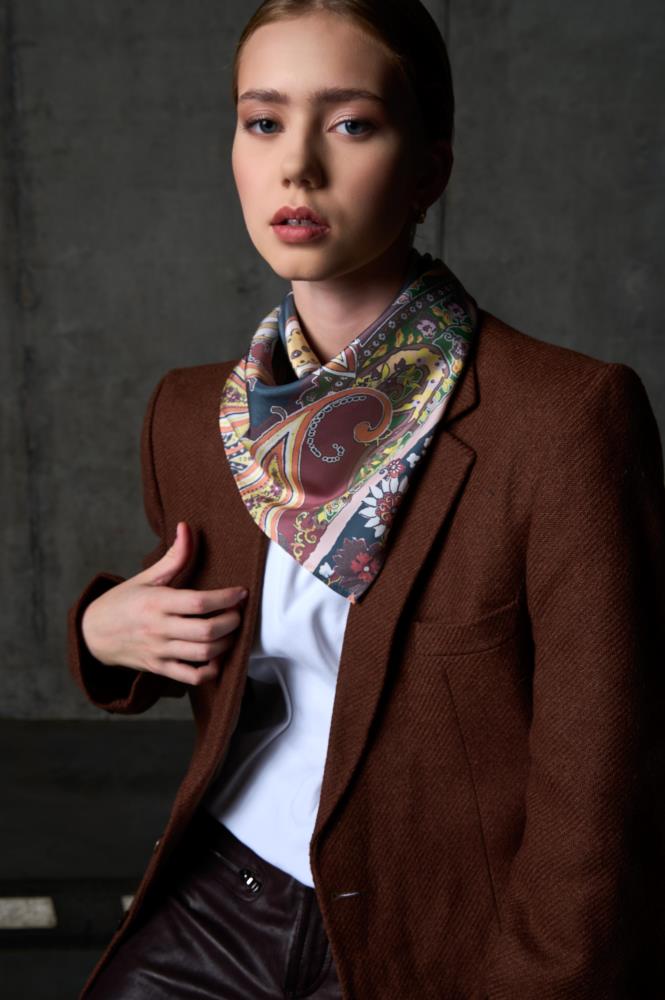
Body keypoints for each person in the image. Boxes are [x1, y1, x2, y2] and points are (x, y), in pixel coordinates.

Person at [67, 1, 665, 997]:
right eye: (263, 122)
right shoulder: (191, 417)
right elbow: (216, 649)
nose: (295, 167)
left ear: (428, 167)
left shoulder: (562, 421)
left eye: (349, 123)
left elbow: (602, 789)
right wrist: (101, 631)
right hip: (222, 893)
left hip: (431, 935)